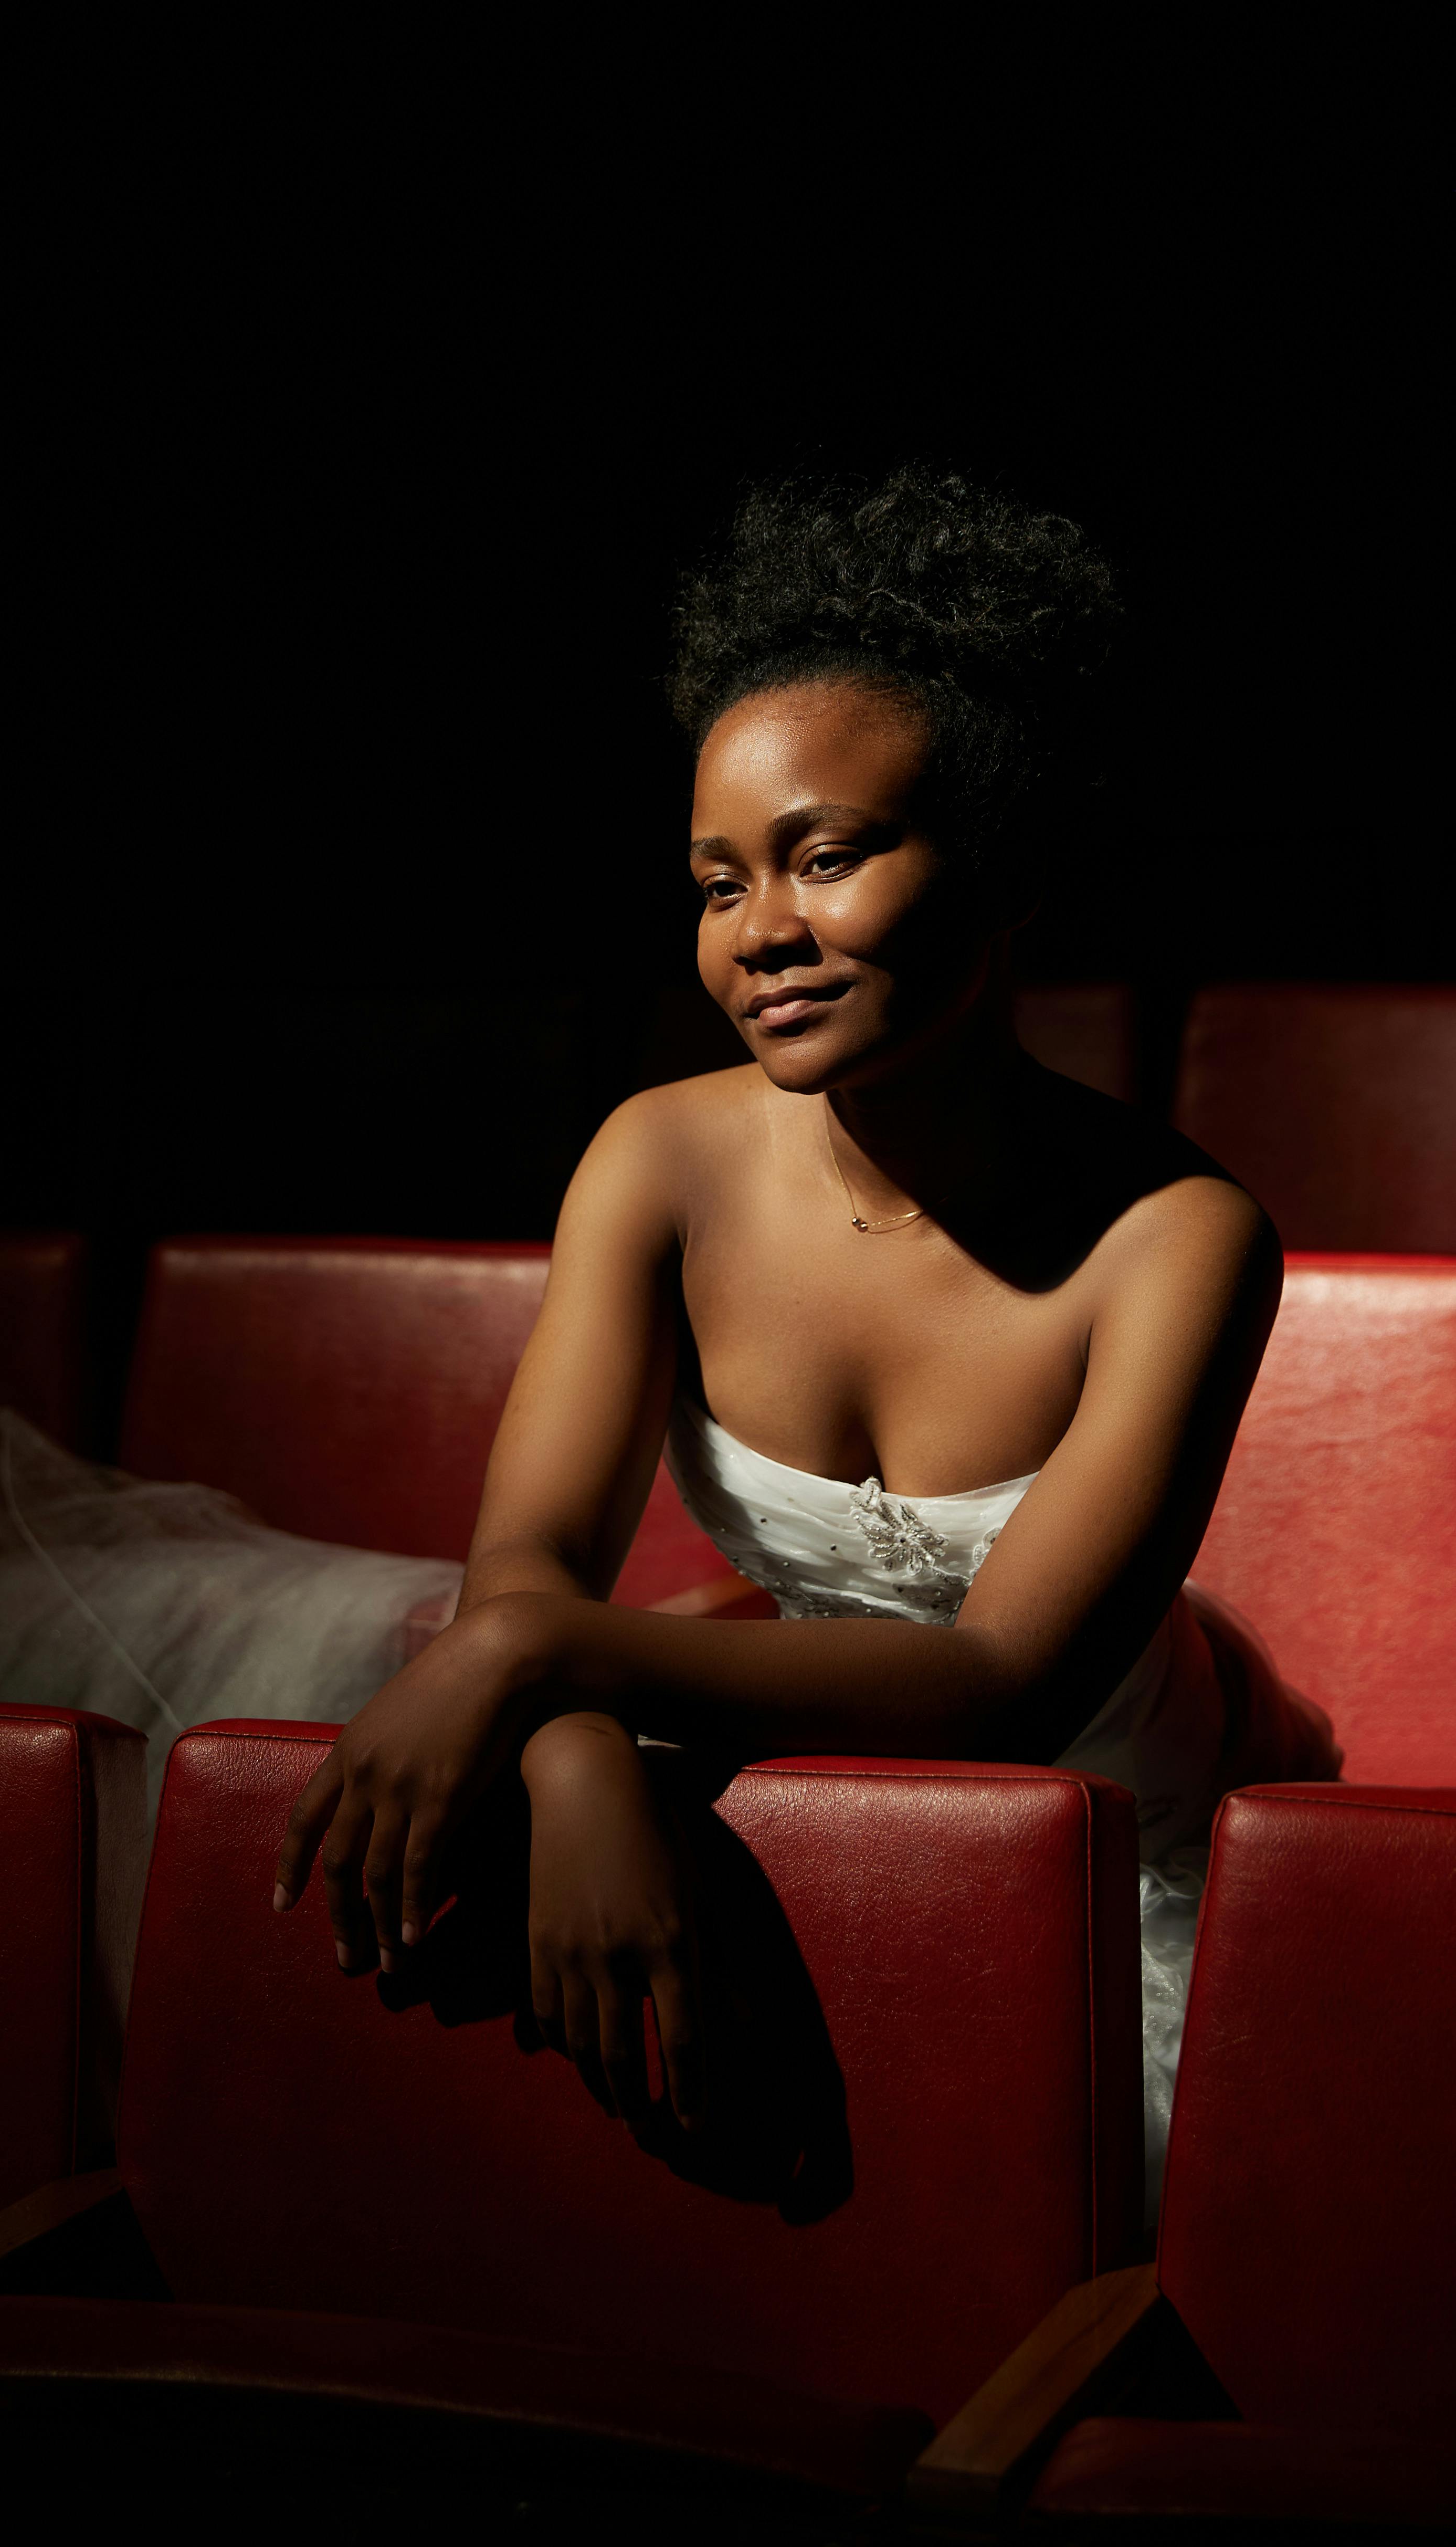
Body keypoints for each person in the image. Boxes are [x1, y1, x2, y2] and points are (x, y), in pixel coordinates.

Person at [274, 467, 1337, 2205]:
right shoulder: (659, 1158)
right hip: (794, 1790)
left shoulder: (1182, 1240)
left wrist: (538, 1666)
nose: (761, 929)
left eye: (826, 857)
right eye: (715, 880)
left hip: (1120, 1865)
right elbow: (525, 1567)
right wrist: (575, 1748)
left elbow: (1002, 1690)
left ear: (1005, 880)